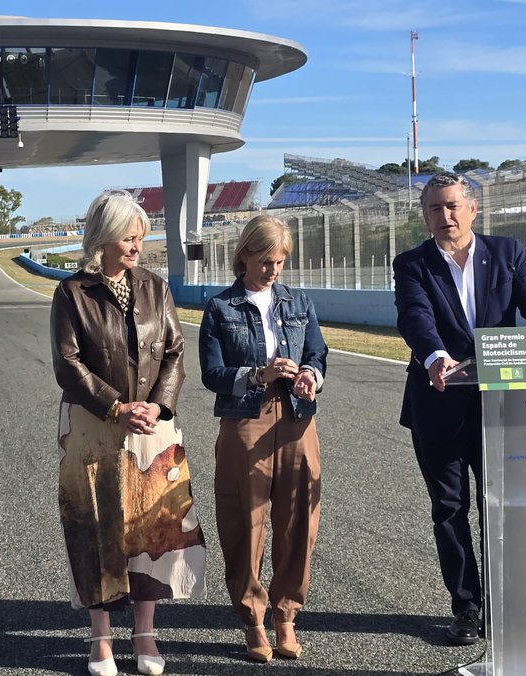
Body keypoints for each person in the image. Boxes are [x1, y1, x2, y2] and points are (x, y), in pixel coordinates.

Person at [393, 172, 526, 644]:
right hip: (438, 401)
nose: (444, 216)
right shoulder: (411, 263)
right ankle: (467, 607)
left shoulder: (507, 254)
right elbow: (414, 316)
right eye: (434, 209)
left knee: (499, 508)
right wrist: (433, 355)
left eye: (452, 206)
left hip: (501, 407)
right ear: (425, 216)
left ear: (473, 208)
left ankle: (507, 602)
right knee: (449, 510)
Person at [50, 191, 206, 676]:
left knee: (152, 532)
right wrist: (116, 407)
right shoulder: (71, 294)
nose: (138, 245)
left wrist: (158, 406)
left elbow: (176, 352)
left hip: (152, 429)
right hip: (95, 427)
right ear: (102, 238)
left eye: (140, 236)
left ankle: (145, 633)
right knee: (96, 528)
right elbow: (67, 363)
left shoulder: (156, 288)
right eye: (128, 237)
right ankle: (100, 638)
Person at [198, 214, 328, 663]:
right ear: (245, 255)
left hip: (297, 418)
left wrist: (311, 375)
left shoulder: (300, 303)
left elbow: (317, 352)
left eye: (280, 261)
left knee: (298, 521)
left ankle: (286, 616)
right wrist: (258, 374)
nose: (273, 270)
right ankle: (253, 619)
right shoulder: (220, 308)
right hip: (244, 419)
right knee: (243, 522)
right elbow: (211, 374)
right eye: (265, 260)